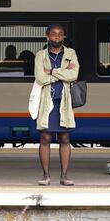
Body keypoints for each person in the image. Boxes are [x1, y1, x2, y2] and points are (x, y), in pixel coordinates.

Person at [33, 24, 79, 186]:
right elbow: (40, 78)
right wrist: (62, 73)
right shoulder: (40, 55)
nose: (57, 37)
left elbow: (73, 75)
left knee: (65, 138)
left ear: (64, 36)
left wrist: (51, 72)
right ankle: (45, 176)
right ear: (48, 36)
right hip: (47, 102)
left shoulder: (71, 53)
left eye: (60, 34)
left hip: (64, 101)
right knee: (45, 137)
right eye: (53, 34)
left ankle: (64, 176)